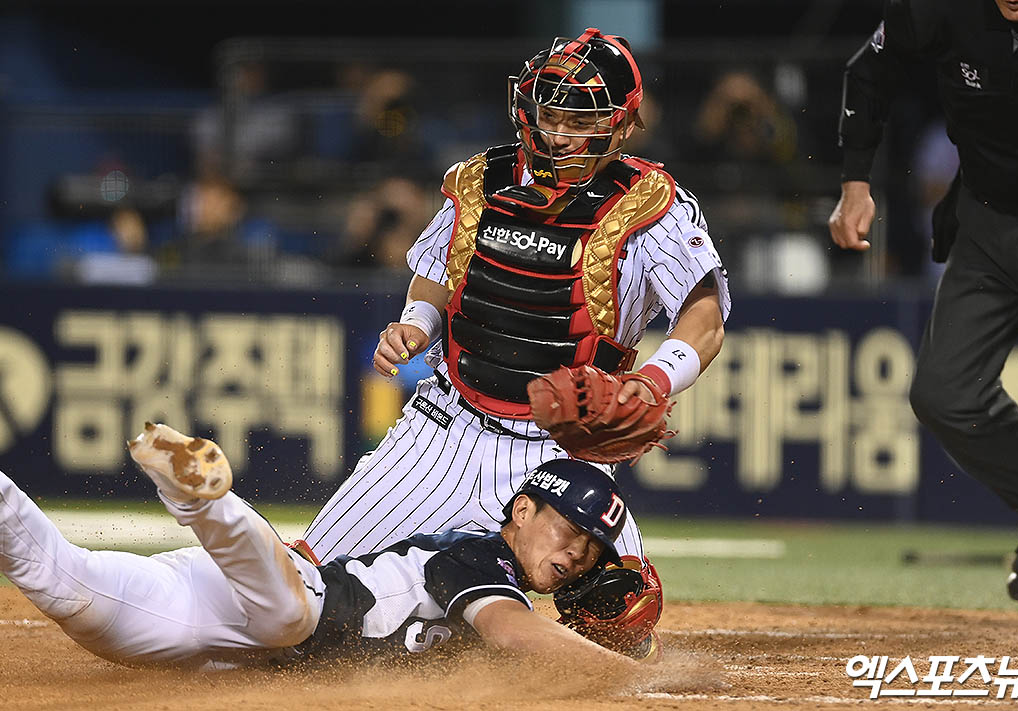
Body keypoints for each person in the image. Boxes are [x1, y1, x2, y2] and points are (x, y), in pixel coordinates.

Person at [299, 28, 731, 660]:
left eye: (577, 119)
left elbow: (704, 317)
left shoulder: (650, 205)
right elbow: (437, 267)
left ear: (621, 125)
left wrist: (655, 379)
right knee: (303, 583)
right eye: (550, 114)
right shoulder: (480, 180)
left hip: (560, 453)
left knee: (623, 610)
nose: (558, 133)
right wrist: (417, 322)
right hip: (444, 428)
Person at [0, 395, 642, 669]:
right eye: (570, 526)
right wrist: (633, 680)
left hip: (217, 624)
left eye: (590, 548)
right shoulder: (480, 553)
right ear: (521, 511)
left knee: (68, 589)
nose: (577, 548)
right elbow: (517, 635)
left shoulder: (505, 577)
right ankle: (202, 497)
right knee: (287, 616)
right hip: (296, 598)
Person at [828, 0, 1018, 632]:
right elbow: (869, 69)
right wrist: (856, 181)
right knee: (943, 392)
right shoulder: (941, 9)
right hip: (989, 223)